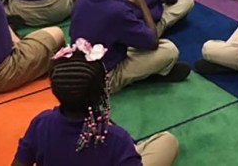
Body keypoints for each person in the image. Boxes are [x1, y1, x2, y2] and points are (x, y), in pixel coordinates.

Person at [12, 40, 179, 166]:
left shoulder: (41, 123)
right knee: (167, 141)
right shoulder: (116, 138)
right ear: (102, 92)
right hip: (117, 150)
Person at [70, 0, 191, 93]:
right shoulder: (117, 10)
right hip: (103, 77)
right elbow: (153, 42)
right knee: (169, 50)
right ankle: (146, 76)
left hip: (80, 67)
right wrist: (143, 6)